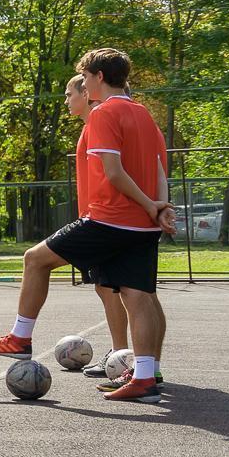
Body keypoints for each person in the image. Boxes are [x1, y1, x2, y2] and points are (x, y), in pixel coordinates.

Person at [0, 48, 173, 402]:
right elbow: (158, 168)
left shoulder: (104, 113)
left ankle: (20, 338)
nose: (82, 84)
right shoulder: (144, 114)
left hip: (109, 219)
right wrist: (160, 208)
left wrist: (149, 204)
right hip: (142, 225)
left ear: (98, 77)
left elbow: (113, 173)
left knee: (35, 259)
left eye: (85, 77)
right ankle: (145, 377)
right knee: (139, 296)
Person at [56, 74, 139, 378]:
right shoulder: (91, 125)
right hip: (97, 217)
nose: (67, 100)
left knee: (115, 289)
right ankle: (123, 355)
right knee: (108, 288)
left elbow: (112, 173)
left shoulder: (98, 123)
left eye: (70, 94)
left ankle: (122, 355)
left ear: (86, 92)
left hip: (104, 219)